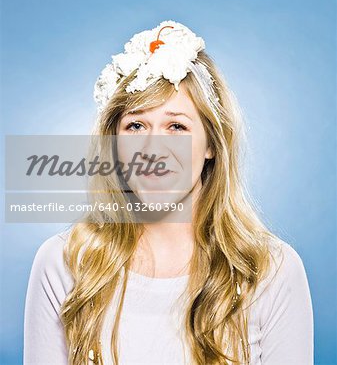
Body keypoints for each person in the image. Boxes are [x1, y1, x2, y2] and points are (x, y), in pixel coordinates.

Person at [24, 21, 314, 365]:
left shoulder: (272, 271)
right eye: (136, 126)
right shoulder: (63, 263)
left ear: (211, 144)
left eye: (176, 126)